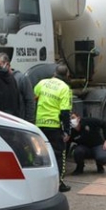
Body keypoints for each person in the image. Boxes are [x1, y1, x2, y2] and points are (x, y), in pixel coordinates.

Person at [34, 64, 73, 192]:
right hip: (54, 126)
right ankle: (59, 183)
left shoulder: (42, 83)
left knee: (41, 154)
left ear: (54, 73)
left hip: (39, 125)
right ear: (67, 75)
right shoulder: (64, 88)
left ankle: (40, 183)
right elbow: (65, 112)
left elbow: (34, 98)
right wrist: (67, 131)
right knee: (59, 154)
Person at [0, 52, 36, 123]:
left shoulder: (21, 79)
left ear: (7, 65)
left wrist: (29, 122)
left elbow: (30, 101)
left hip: (19, 122)